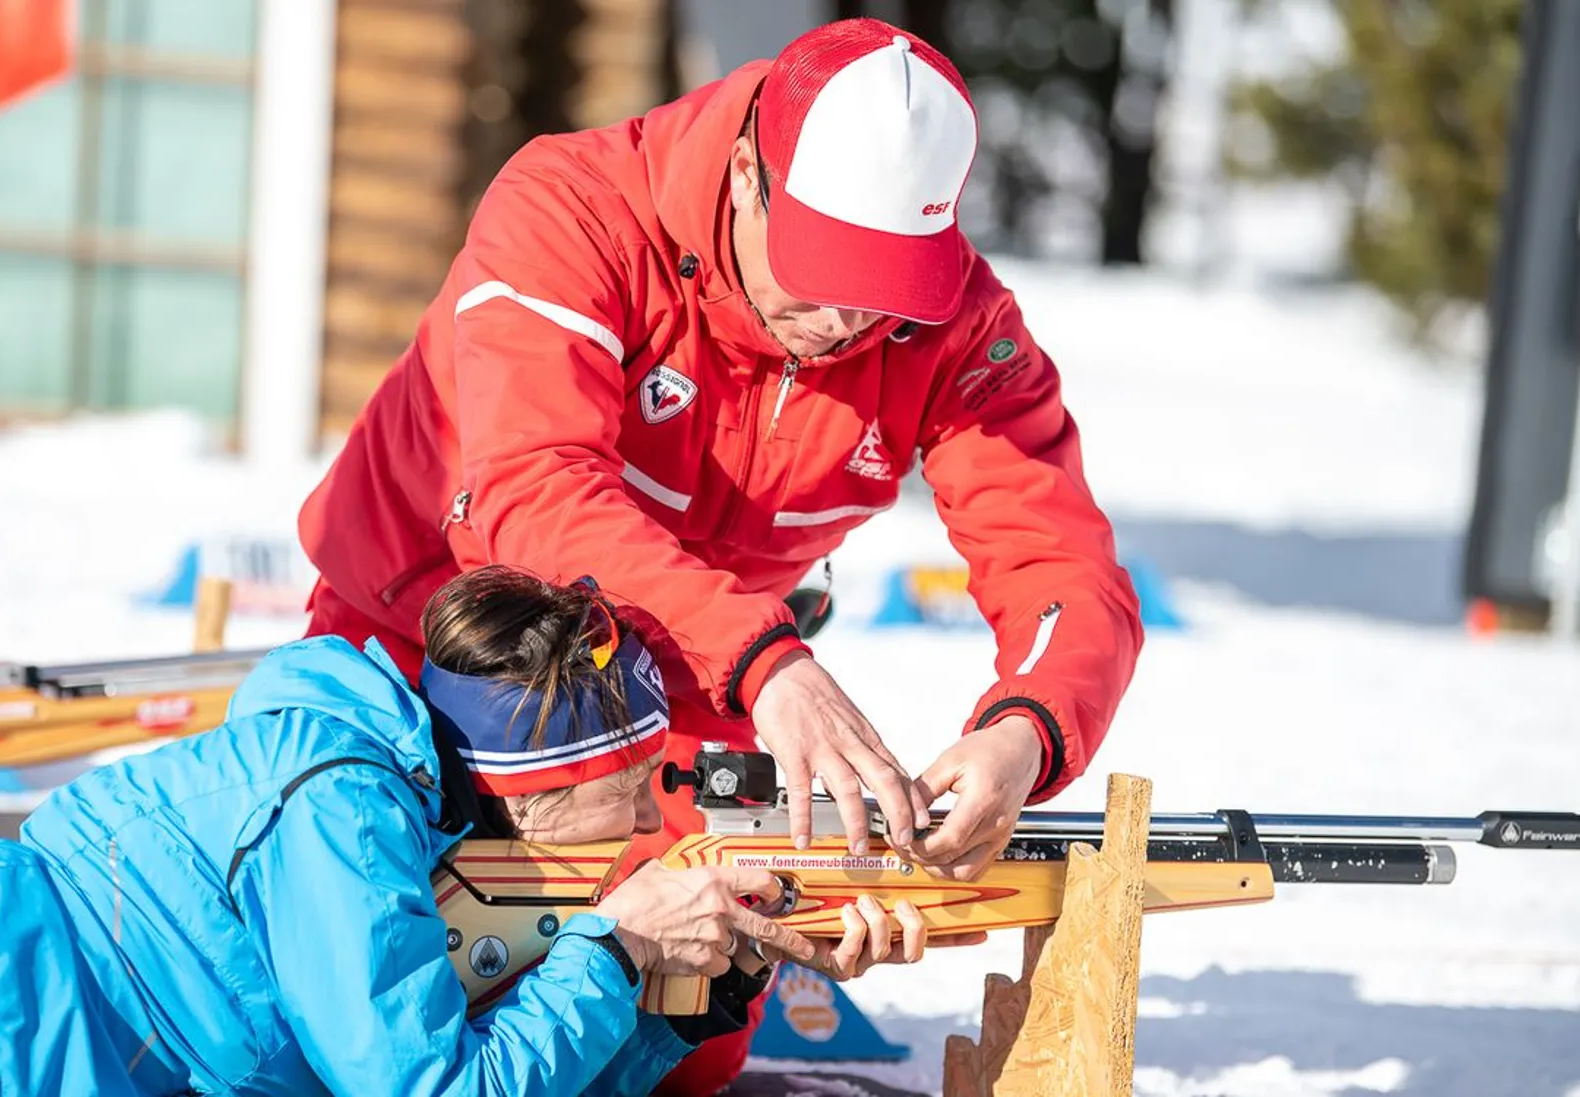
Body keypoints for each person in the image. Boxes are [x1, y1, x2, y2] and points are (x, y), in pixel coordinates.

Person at [296, 17, 1144, 1091]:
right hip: (420, 642)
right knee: (364, 1011)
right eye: (821, 270)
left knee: (685, 1024)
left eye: (882, 292)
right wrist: (769, 660)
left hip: (678, 688)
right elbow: (529, 484)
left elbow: (1058, 558)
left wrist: (1022, 733)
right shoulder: (570, 206)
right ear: (748, 175)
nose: (839, 320)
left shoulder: (958, 325)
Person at [0, 567, 945, 1097]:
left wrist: (693, 993)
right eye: (627, 802)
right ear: (532, 795)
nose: (642, 832)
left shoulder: (425, 820)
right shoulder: (341, 801)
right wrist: (611, 952)